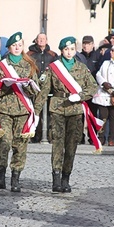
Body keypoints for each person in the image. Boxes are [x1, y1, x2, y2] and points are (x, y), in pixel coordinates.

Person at [35, 36, 98, 192]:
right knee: (57, 144)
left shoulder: (82, 68)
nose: (69, 52)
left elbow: (93, 87)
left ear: (75, 50)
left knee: (71, 146)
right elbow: (44, 92)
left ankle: (65, 178)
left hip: (75, 110)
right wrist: (35, 112)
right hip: (57, 108)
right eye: (66, 49)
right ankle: (56, 178)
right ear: (61, 51)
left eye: (71, 49)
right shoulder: (53, 68)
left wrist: (81, 96)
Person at [0, 32, 40, 192]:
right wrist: (5, 84)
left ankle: (15, 177)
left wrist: (28, 86)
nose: (17, 48)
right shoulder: (1, 66)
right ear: (9, 47)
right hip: (4, 109)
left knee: (20, 145)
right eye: (14, 45)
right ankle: (0, 174)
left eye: (20, 45)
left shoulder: (30, 65)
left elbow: (35, 91)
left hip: (23, 110)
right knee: (4, 142)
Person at [26, 33, 58, 143]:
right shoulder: (29, 54)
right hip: (34, 86)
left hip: (48, 88)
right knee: (35, 110)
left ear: (47, 41)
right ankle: (35, 135)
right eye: (39, 39)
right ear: (36, 40)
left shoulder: (52, 55)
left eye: (43, 39)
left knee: (49, 113)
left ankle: (48, 135)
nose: (41, 40)